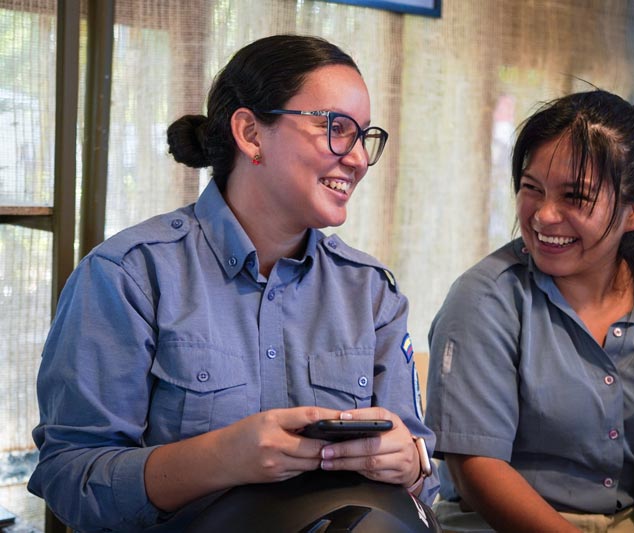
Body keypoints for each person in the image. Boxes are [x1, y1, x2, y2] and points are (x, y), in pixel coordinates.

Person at [28, 34, 437, 532]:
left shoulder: (372, 293)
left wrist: (411, 464)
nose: (356, 158)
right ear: (251, 133)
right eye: (335, 128)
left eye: (363, 137)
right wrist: (220, 457)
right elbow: (71, 479)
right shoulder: (128, 275)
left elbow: (423, 481)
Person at [424, 90, 634, 532]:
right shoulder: (483, 299)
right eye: (532, 189)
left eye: (575, 197)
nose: (545, 216)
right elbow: (476, 469)